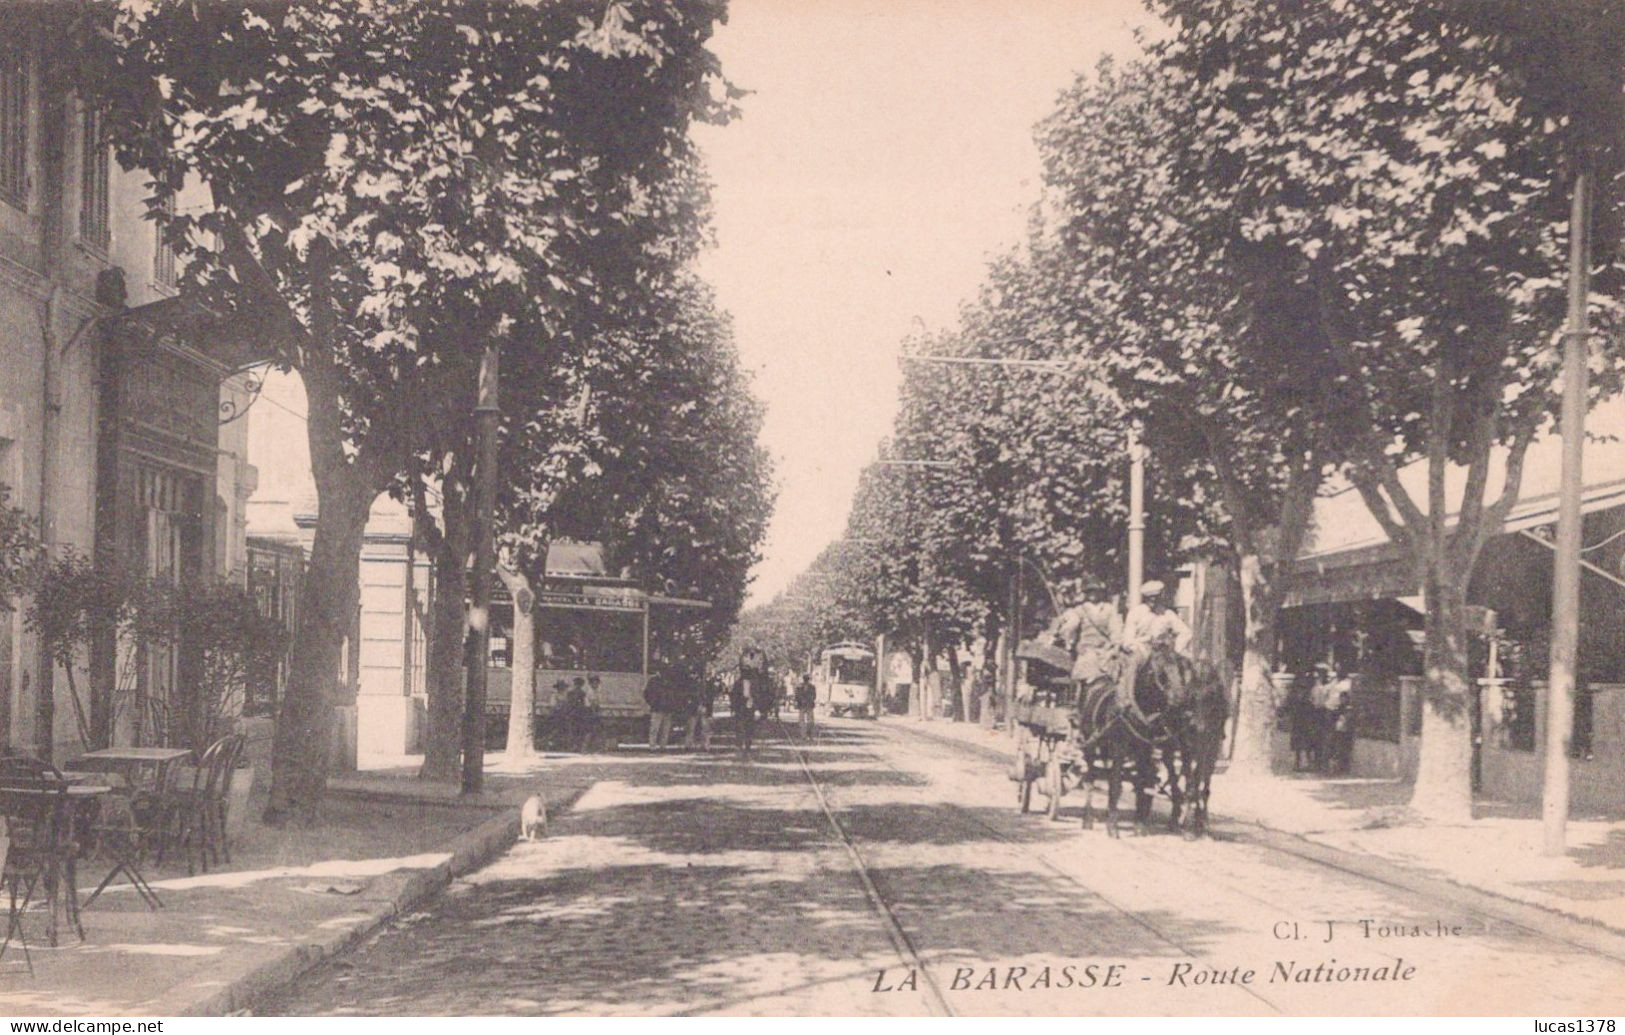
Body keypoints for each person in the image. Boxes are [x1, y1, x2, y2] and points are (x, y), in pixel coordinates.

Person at [1117, 579, 1193, 711]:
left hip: (1163, 650)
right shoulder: (1136, 613)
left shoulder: (1167, 614)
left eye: (1155, 598)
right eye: (1149, 598)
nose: (1152, 601)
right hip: (1143, 649)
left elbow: (1185, 632)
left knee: (1185, 665)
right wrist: (1137, 646)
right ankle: (1126, 699)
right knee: (1134, 664)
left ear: (1160, 597)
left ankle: (1184, 699)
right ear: (1145, 599)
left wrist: (1178, 647)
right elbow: (1128, 638)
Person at [1054, 577, 1122, 687]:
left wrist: (1115, 644)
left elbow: (1115, 628)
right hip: (1086, 650)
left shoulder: (1109, 609)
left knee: (1112, 676)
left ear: (1101, 593)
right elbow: (1070, 627)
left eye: (1096, 591)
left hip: (1105, 650)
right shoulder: (1079, 610)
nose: (1093, 594)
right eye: (1090, 591)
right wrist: (1070, 643)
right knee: (1087, 676)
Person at [645, 663, 675, 751]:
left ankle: (663, 746)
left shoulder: (668, 681)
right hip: (657, 707)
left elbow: (673, 694)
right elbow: (646, 693)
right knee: (655, 728)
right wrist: (652, 702)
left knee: (665, 729)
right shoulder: (654, 680)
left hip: (666, 708)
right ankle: (652, 746)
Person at [685, 674, 717, 752]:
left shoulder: (708, 685)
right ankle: (689, 745)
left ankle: (705, 745)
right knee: (691, 728)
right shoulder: (691, 685)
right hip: (694, 708)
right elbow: (688, 697)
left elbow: (710, 697)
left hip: (704, 707)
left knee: (705, 728)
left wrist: (708, 708)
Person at [795, 673, 818, 741]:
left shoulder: (801, 687)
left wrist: (803, 700)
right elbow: (814, 696)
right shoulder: (801, 687)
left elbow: (813, 696)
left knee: (807, 721)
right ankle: (805, 735)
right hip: (804, 705)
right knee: (806, 721)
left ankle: (807, 735)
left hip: (807, 705)